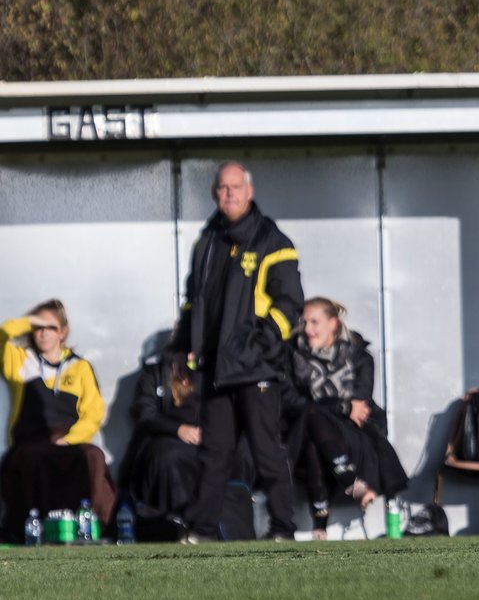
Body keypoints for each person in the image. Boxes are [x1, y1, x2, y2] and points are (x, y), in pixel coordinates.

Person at [172, 161, 303, 542]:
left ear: (250, 192)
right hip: (216, 367)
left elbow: (290, 305)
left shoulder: (273, 241)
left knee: (266, 451)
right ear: (215, 193)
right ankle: (202, 529)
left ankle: (282, 529)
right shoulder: (206, 241)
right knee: (214, 452)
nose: (229, 194)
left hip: (257, 368)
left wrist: (258, 345)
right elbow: (192, 302)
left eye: (235, 187)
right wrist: (183, 350)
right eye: (222, 188)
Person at [282, 297, 408, 540]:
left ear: (333, 323)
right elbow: (289, 401)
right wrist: (340, 406)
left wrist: (333, 409)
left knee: (313, 419)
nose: (307, 329)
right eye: (304, 322)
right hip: (306, 435)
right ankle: (351, 482)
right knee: (312, 424)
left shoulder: (359, 356)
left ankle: (321, 525)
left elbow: (360, 405)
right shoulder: (291, 354)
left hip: (354, 438)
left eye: (314, 322)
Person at [0, 300, 114, 542]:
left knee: (93, 456)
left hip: (68, 439)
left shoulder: (80, 367)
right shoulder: (21, 360)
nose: (42, 332)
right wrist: (30, 320)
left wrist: (71, 439)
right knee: (32, 459)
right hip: (31, 440)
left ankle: (95, 527)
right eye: (37, 326)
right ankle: (35, 529)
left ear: (63, 332)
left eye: (49, 326)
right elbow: (4, 333)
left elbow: (93, 412)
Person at [116, 344, 257, 541]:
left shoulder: (218, 373)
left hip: (209, 442)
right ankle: (178, 524)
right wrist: (178, 429)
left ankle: (220, 529)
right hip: (166, 441)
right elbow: (145, 415)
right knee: (167, 457)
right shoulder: (155, 373)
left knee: (226, 458)